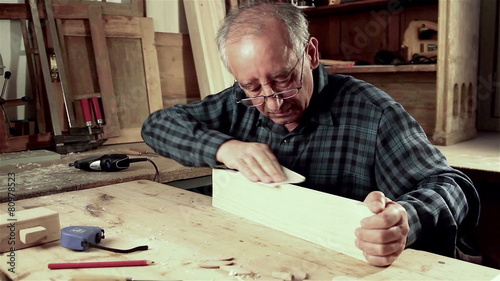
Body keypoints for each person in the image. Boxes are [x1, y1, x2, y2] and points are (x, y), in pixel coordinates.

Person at [142, 0, 480, 267]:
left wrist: (405, 220)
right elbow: (157, 126)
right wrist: (225, 148)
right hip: (270, 255)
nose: (272, 103)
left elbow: (452, 187)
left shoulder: (373, 113)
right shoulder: (238, 101)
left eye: (283, 80)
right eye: (253, 87)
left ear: (311, 54)